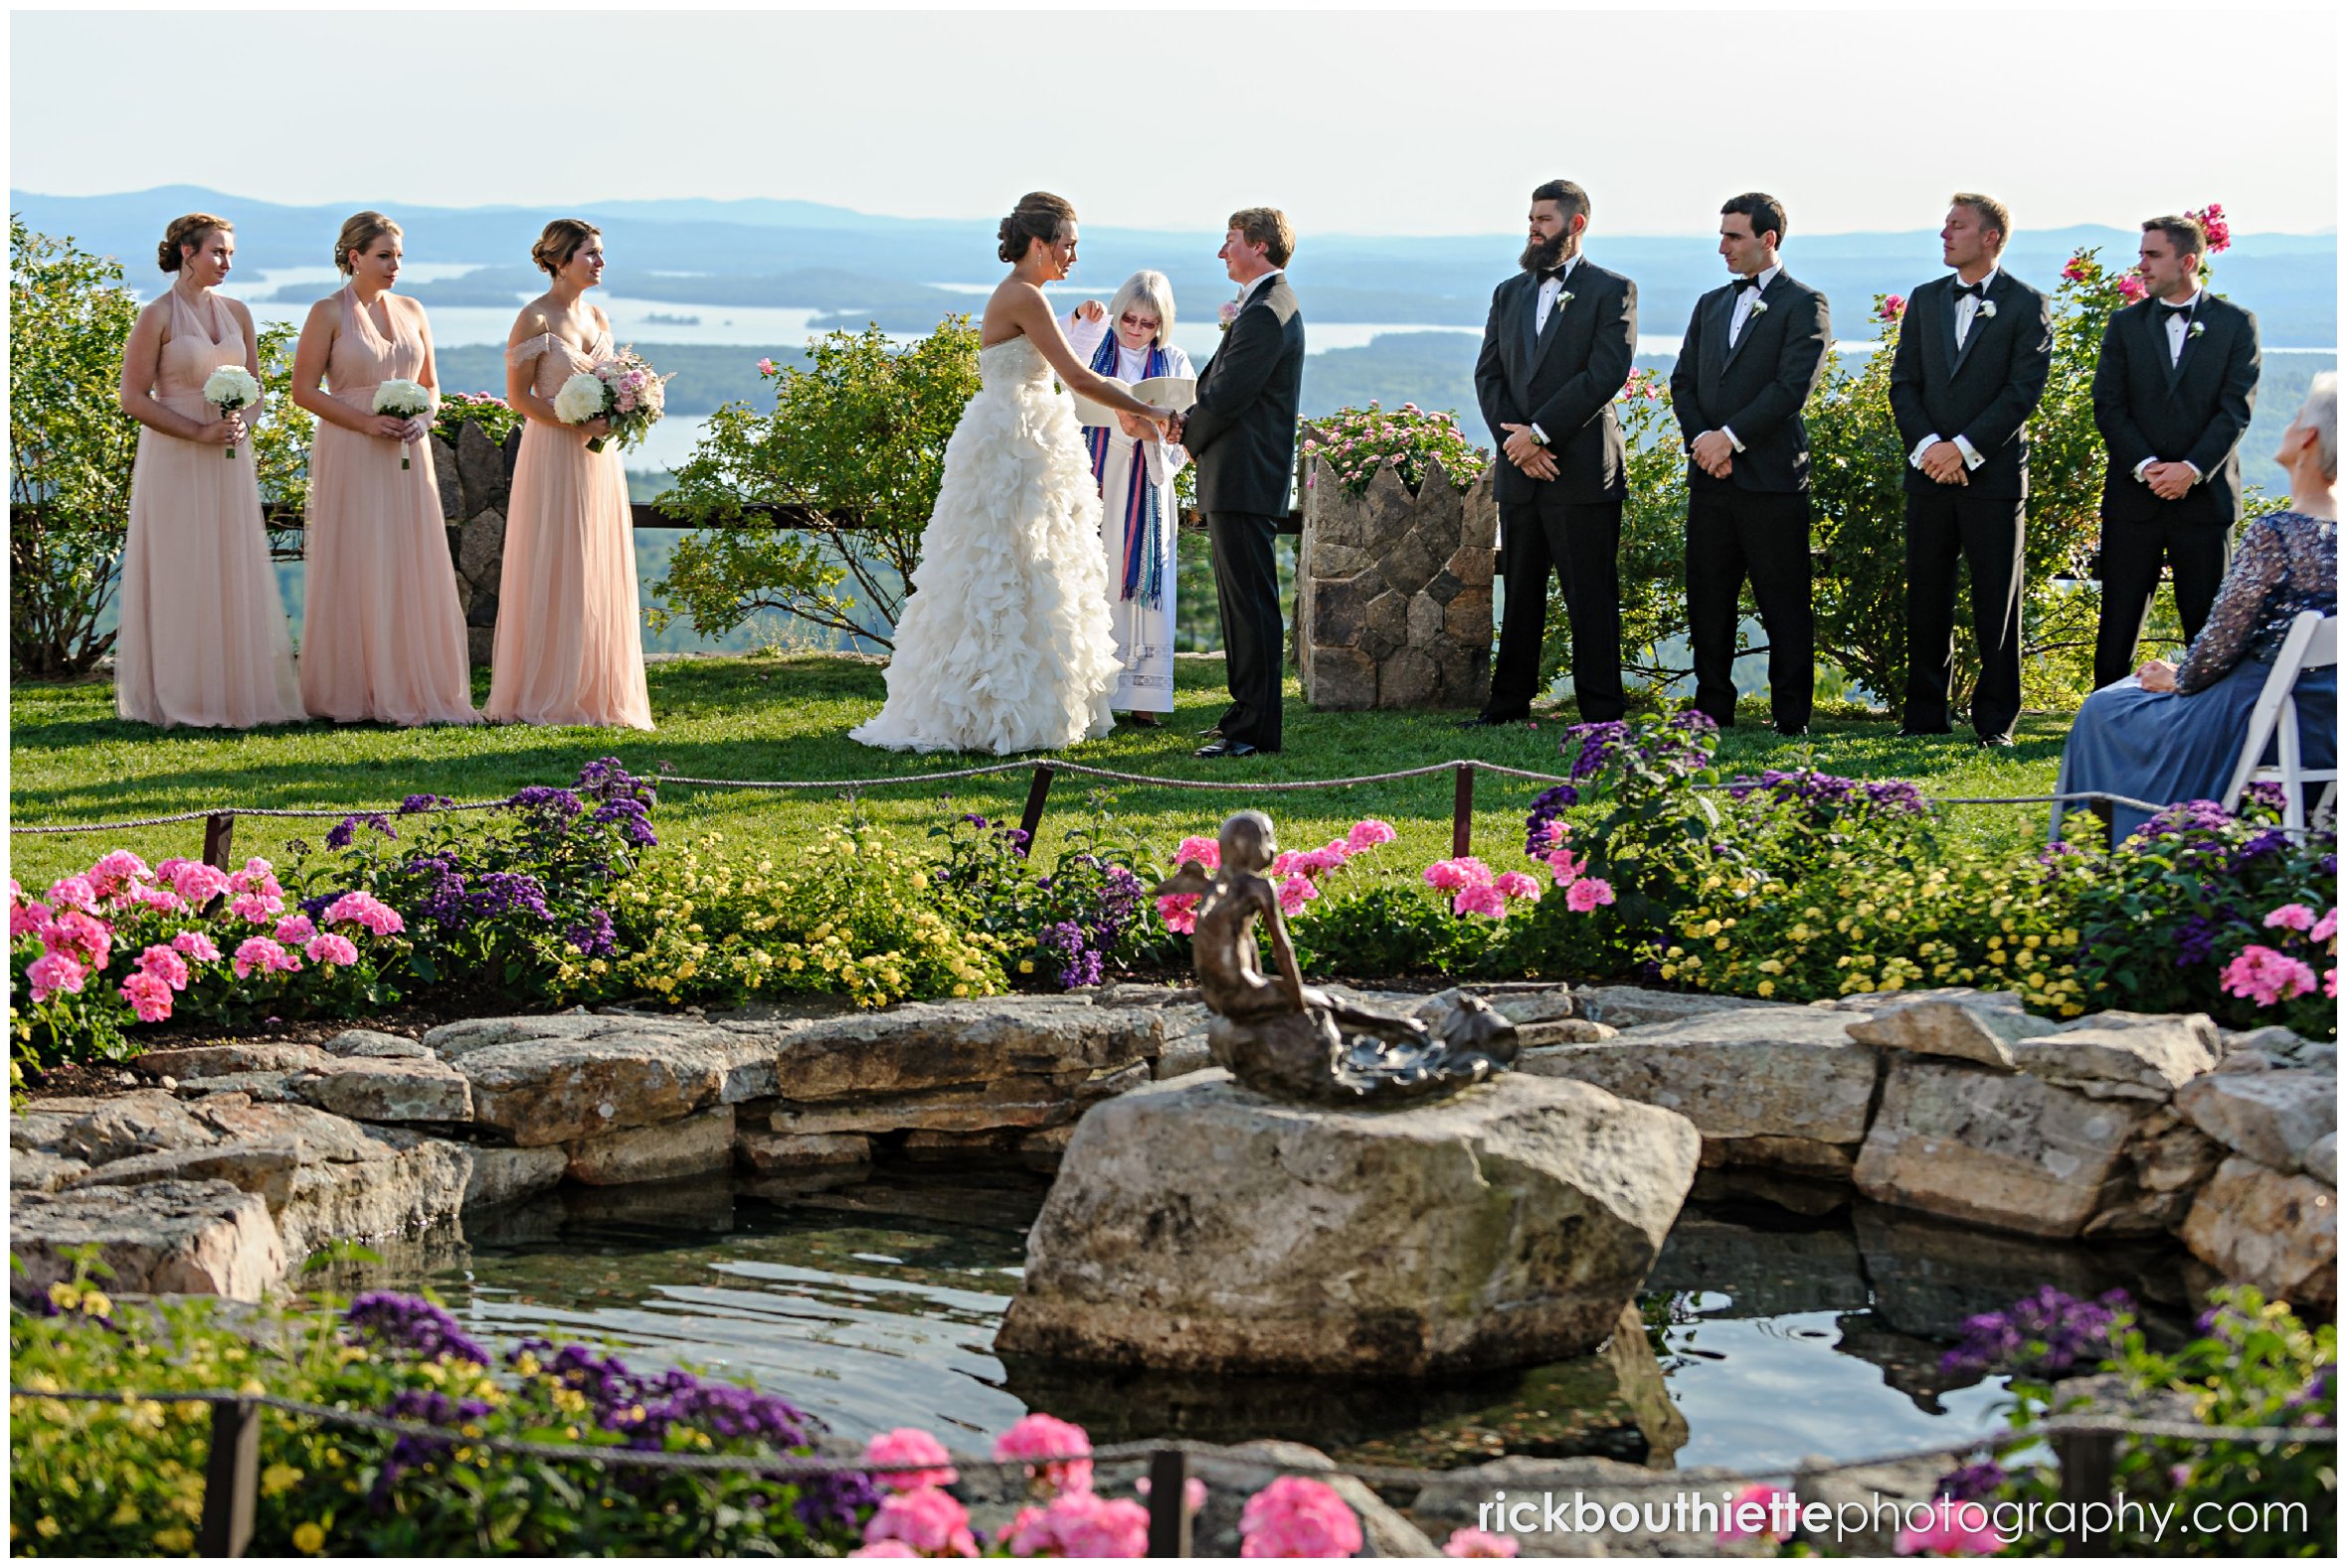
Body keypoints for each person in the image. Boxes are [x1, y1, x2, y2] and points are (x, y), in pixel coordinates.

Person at [850, 192, 1171, 755]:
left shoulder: (1027, 295)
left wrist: (1127, 407)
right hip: (1013, 441)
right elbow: (1076, 375)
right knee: (1004, 564)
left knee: (1028, 567)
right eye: (1068, 244)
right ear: (1041, 244)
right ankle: (985, 704)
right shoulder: (1025, 296)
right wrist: (1153, 410)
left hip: (1023, 431)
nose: (1073, 256)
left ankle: (1020, 698)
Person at [2054, 373, 2336, 842]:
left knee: (2106, 708)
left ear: (2308, 438)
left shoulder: (2279, 532)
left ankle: (2092, 854)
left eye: (2295, 419)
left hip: (2258, 711)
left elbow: (2224, 636)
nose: (2288, 426)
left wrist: (2179, 677)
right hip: (2322, 717)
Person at [113, 212, 305, 729]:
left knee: (230, 561)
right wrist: (196, 431)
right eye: (217, 252)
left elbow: (257, 386)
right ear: (186, 253)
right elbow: (133, 397)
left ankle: (232, 686)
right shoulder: (157, 316)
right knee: (184, 564)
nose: (226, 262)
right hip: (176, 454)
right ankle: (181, 692)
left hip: (229, 455)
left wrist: (243, 421)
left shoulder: (239, 312)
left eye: (230, 254)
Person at [288, 212, 479, 726]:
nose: (395, 265)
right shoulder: (327, 312)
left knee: (407, 556)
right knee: (357, 555)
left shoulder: (414, 309)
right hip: (350, 447)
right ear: (355, 257)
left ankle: (415, 682)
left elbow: (432, 383)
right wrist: (363, 423)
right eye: (384, 255)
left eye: (399, 255)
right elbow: (303, 390)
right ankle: (352, 689)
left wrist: (424, 416)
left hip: (406, 453)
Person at [1468, 179, 1637, 729]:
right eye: (1531, 219)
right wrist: (1516, 443)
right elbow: (1488, 373)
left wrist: (1540, 433)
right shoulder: (1507, 292)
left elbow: (1605, 373)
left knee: (1589, 595)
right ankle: (1507, 706)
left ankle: (1601, 713)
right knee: (1519, 593)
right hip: (1521, 469)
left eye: (1543, 219)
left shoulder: (1612, 290)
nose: (1533, 228)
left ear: (1576, 224)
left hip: (1580, 467)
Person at [1888, 193, 2054, 747]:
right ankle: (1924, 715)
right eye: (1944, 226)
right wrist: (1932, 448)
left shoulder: (2026, 305)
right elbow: (1904, 383)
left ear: (1990, 237)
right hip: (1928, 472)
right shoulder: (1926, 299)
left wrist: (1962, 449)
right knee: (1927, 596)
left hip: (1994, 476)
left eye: (1955, 226)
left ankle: (1995, 721)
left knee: (1996, 603)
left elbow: (2021, 393)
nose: (1944, 234)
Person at [1669, 192, 1832, 735]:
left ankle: (1791, 717)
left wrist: (1730, 440)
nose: (1723, 247)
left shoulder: (1805, 303)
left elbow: (1791, 389)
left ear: (1769, 239)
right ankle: (1712, 709)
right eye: (1722, 235)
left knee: (1783, 602)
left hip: (1772, 481)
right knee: (1708, 599)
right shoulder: (1710, 304)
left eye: (1734, 236)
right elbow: (1683, 382)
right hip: (1710, 478)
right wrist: (1704, 444)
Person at [486, 219, 653, 730]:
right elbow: (519, 399)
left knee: (595, 562)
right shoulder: (534, 318)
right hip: (552, 454)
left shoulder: (599, 316)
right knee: (555, 560)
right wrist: (573, 418)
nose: (600, 263)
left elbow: (611, 379)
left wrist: (629, 405)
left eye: (601, 254)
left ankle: (596, 689)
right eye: (591, 254)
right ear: (560, 260)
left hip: (599, 460)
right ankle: (544, 688)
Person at [2089, 214, 2262, 688]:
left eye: (2152, 255)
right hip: (2133, 496)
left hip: (2204, 500)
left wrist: (2190, 469)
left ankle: (2208, 714)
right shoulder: (2124, 325)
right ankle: (2104, 714)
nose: (2140, 265)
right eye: (2141, 253)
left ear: (2187, 261)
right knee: (2118, 620)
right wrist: (2147, 467)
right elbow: (2108, 405)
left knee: (2207, 621)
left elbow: (2234, 409)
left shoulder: (2235, 325)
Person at [1168, 209, 1305, 761]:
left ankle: (1253, 730)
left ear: (1261, 247)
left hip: (1244, 477)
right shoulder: (1264, 305)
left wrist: (1186, 434)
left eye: (1230, 242)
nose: (1222, 253)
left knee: (1250, 607)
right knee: (1240, 606)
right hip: (1239, 478)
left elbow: (1227, 396)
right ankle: (1242, 717)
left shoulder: (1267, 312)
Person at [1063, 270, 1193, 727]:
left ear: (1162, 325)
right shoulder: (1093, 346)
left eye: (1148, 323)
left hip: (1147, 483)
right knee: (1092, 579)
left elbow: (1185, 430)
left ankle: (1145, 699)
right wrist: (1081, 318)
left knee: (1140, 582)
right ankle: (1089, 693)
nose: (1136, 330)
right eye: (1129, 319)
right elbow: (1053, 372)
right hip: (1094, 476)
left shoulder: (1174, 359)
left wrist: (1151, 433)